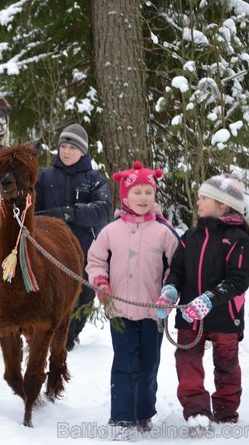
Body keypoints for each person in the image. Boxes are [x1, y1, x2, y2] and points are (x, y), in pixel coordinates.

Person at [155, 172, 249, 433]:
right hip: (189, 316)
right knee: (186, 362)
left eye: (203, 198)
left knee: (226, 365)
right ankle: (197, 412)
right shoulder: (190, 238)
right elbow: (177, 270)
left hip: (224, 317)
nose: (197, 202)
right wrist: (170, 292)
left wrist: (210, 299)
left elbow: (239, 278)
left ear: (222, 204)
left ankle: (226, 410)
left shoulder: (238, 240)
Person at [86, 161, 180, 440]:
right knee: (125, 363)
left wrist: (169, 293)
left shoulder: (164, 231)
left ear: (155, 196)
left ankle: (143, 413)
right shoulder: (110, 231)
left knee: (149, 364)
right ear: (125, 196)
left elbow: (176, 268)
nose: (143, 198)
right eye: (136, 192)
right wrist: (100, 284)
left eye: (148, 192)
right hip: (120, 311)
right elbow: (95, 261)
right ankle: (122, 418)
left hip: (154, 313)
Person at [34, 124, 112, 351]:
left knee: (85, 296)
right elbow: (34, 210)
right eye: (63, 146)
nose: (66, 151)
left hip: (85, 251)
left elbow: (103, 210)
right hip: (50, 250)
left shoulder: (95, 179)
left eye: (72, 147)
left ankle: (72, 332)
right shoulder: (44, 176)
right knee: (50, 294)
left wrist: (70, 213)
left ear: (83, 151)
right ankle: (50, 333)